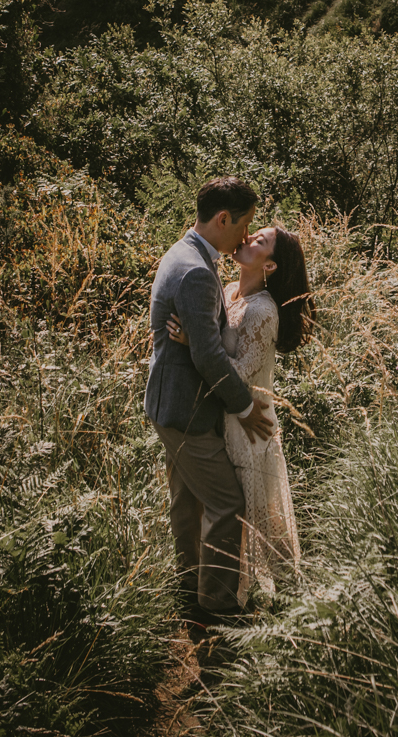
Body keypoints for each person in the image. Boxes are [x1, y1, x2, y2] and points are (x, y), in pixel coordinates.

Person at [144, 177, 277, 634]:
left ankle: (188, 589)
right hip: (187, 410)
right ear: (223, 218)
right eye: (244, 225)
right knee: (226, 503)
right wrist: (244, 408)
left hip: (168, 405)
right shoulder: (198, 270)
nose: (245, 235)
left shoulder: (183, 253)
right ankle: (217, 606)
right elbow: (207, 356)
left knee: (186, 501)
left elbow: (200, 339)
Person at [168, 225, 312, 603]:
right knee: (232, 510)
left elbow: (240, 373)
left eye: (259, 242)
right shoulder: (230, 290)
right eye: (252, 235)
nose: (247, 239)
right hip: (227, 417)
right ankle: (222, 588)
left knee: (261, 515)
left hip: (250, 424)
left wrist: (192, 340)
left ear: (271, 266)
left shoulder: (263, 311)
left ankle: (291, 594)